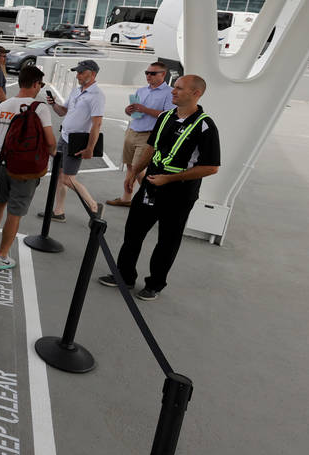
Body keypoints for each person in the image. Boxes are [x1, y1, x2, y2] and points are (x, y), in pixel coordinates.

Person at [99, 75, 220, 301]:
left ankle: (154, 284)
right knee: (133, 233)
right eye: (174, 87)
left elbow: (211, 167)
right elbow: (152, 148)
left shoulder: (205, 126)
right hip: (150, 187)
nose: (173, 92)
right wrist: (134, 171)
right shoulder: (165, 117)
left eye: (179, 88)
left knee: (167, 241)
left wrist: (170, 179)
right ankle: (124, 275)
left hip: (179, 194)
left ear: (196, 94)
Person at [0, 66, 56, 270]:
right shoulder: (40, 108)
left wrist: (2, 153)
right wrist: (51, 154)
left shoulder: (3, 106)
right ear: (35, 84)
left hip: (4, 164)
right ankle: (3, 256)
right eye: (40, 84)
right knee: (15, 213)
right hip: (26, 170)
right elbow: (50, 141)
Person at [41, 59, 104, 222]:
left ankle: (94, 205)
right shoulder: (77, 91)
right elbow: (62, 112)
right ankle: (58, 211)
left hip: (77, 141)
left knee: (68, 179)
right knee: (60, 175)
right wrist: (54, 104)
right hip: (64, 136)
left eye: (81, 72)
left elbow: (97, 124)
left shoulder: (97, 96)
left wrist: (90, 148)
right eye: (77, 72)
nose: (78, 75)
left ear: (93, 74)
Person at [107, 61, 175, 206]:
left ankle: (151, 198)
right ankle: (126, 198)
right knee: (130, 166)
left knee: (139, 169)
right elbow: (132, 112)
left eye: (152, 73)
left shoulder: (169, 93)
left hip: (148, 135)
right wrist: (129, 110)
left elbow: (168, 116)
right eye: (147, 73)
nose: (148, 76)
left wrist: (144, 109)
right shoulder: (141, 90)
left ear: (163, 74)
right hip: (133, 130)